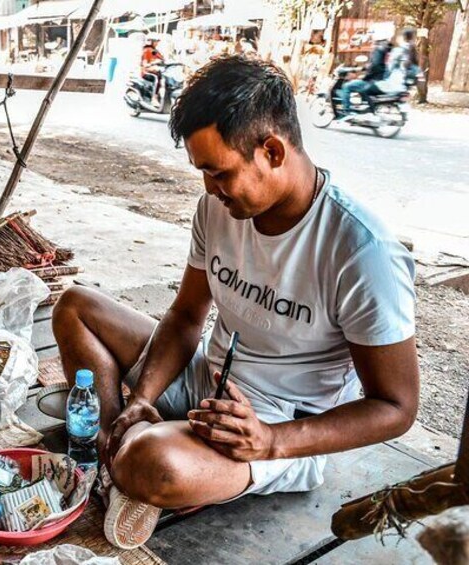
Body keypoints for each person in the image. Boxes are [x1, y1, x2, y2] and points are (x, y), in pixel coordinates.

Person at [53, 55, 418, 549]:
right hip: (209, 380)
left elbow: (396, 407)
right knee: (74, 305)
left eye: (218, 172)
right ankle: (117, 441)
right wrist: (139, 401)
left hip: (276, 425)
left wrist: (272, 442)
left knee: (154, 463)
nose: (209, 188)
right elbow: (185, 317)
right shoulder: (217, 209)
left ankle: (139, 459)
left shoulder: (361, 252)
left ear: (271, 150)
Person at [340, 34, 391, 115]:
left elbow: (375, 66)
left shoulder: (378, 49)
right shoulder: (387, 50)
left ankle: (347, 111)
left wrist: (366, 75)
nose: (370, 42)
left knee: (347, 86)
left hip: (373, 81)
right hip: (382, 79)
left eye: (371, 40)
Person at [140, 37, 166, 105]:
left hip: (156, 70)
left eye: (157, 41)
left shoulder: (155, 51)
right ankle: (154, 98)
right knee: (157, 77)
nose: (157, 43)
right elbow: (145, 64)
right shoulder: (147, 50)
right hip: (146, 71)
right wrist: (154, 63)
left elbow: (162, 59)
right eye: (155, 41)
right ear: (151, 42)